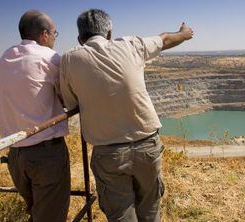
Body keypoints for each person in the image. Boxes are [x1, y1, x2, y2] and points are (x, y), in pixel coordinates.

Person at [60, 8, 193, 221]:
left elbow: (70, 101)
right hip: (147, 146)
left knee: (121, 215)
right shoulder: (131, 45)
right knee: (150, 209)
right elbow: (165, 40)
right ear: (110, 33)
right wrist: (184, 33)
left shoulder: (69, 59)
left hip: (108, 153)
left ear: (79, 38)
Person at [0, 10, 70, 222]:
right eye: (55, 33)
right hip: (45, 155)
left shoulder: (4, 58)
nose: (55, 38)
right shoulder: (50, 57)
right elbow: (68, 99)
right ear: (44, 34)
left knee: (37, 213)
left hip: (16, 154)